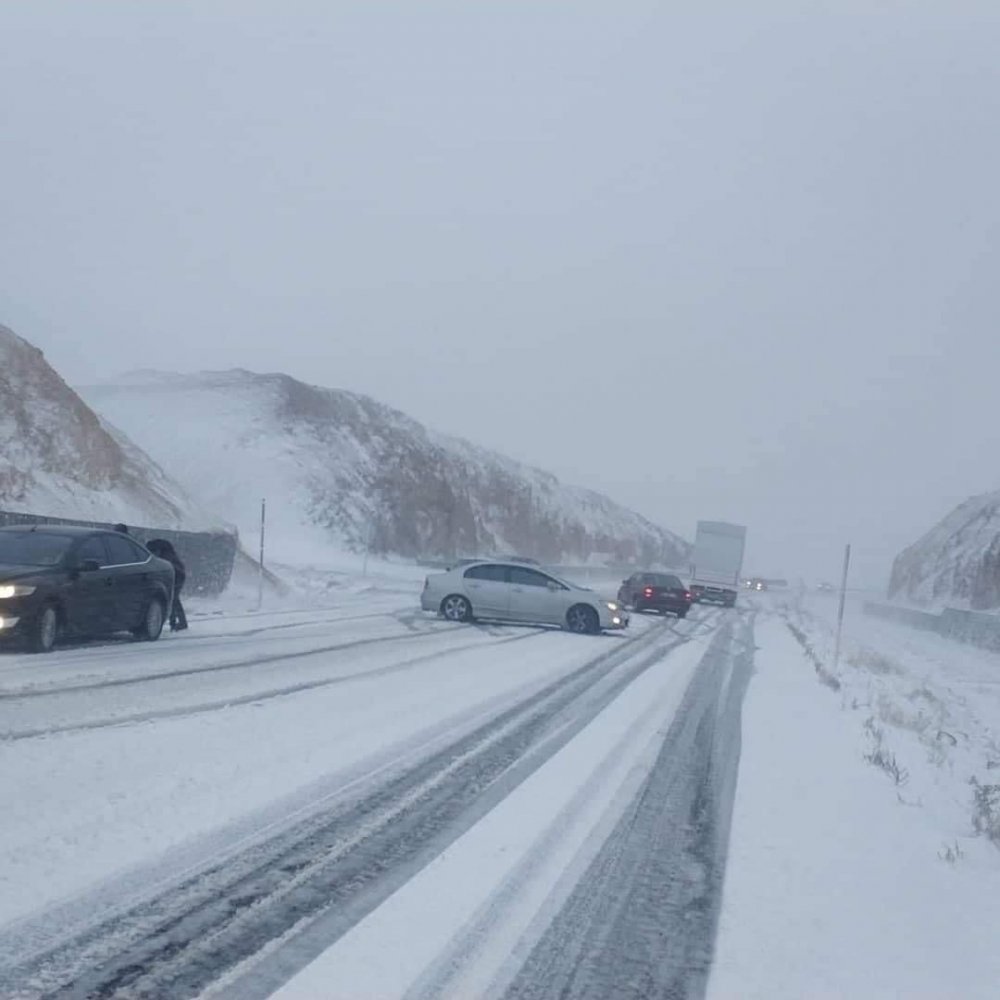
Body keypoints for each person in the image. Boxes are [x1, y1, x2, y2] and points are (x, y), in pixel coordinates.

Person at [147, 538, 188, 631]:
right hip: (177, 575)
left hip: (177, 576)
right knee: (174, 599)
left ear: (158, 550)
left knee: (173, 599)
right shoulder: (167, 554)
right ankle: (178, 623)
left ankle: (178, 623)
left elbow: (172, 570)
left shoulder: (167, 558)